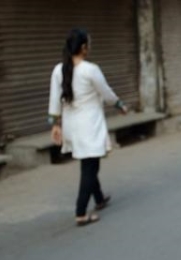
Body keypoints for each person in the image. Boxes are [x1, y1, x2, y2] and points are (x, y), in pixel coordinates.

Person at [48, 28, 128, 226]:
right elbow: (106, 92)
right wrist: (119, 104)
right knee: (90, 166)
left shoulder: (59, 70)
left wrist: (55, 125)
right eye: (89, 44)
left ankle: (99, 199)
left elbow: (54, 100)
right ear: (83, 47)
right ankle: (81, 212)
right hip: (89, 125)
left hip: (71, 126)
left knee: (88, 162)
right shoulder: (90, 69)